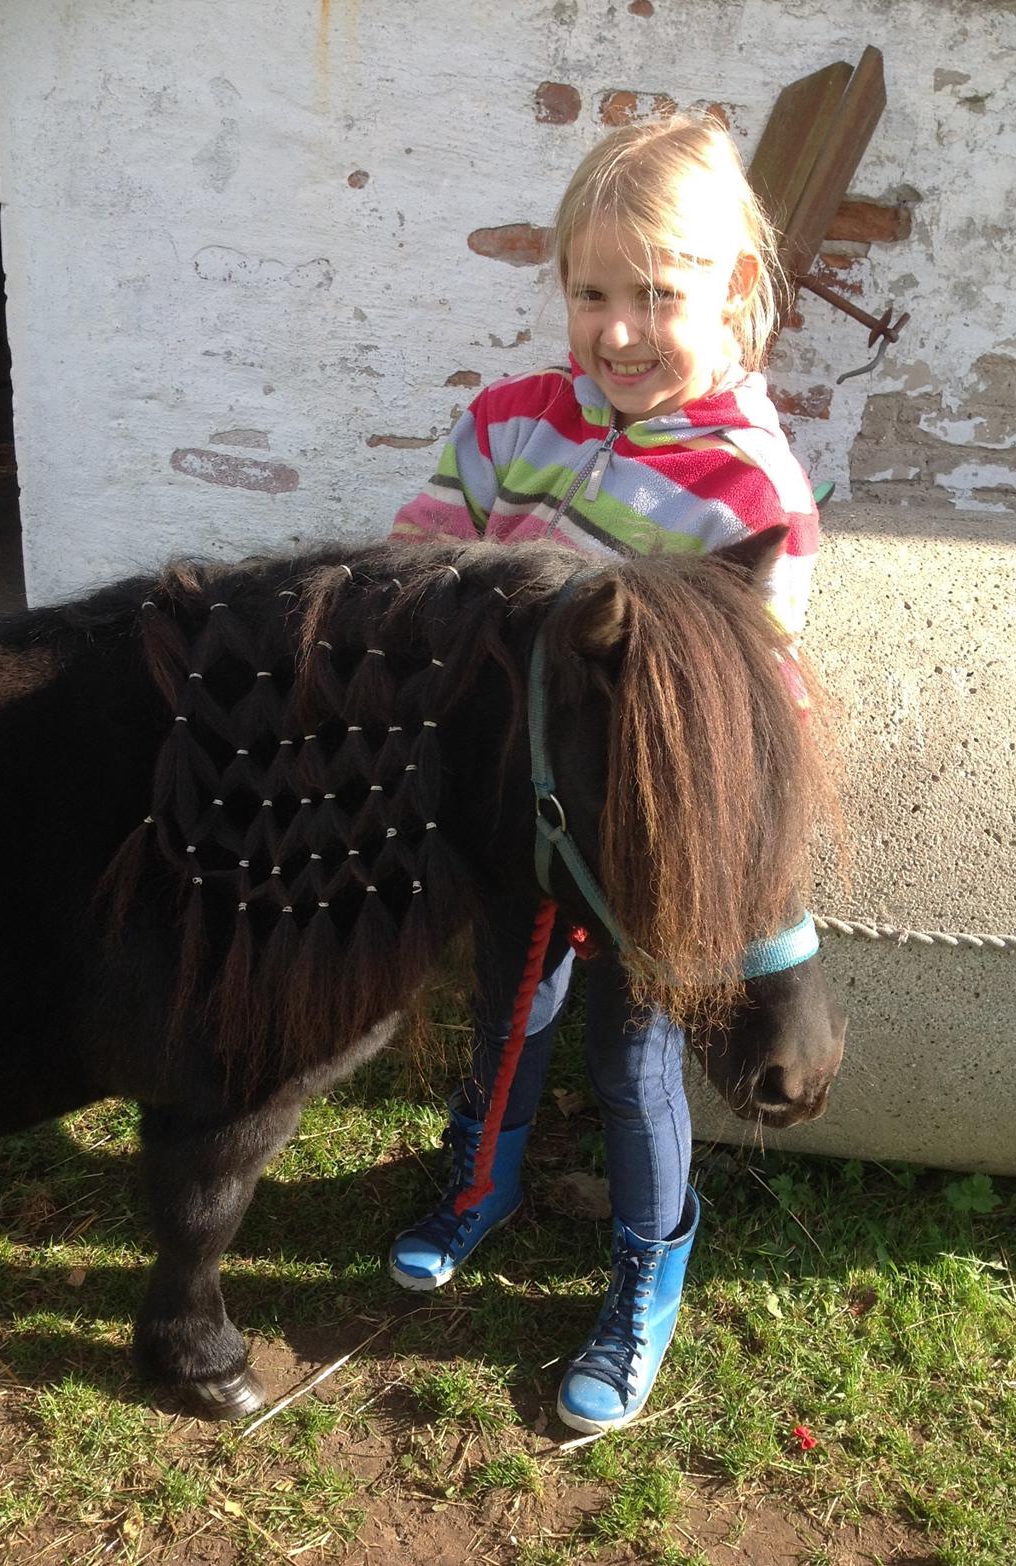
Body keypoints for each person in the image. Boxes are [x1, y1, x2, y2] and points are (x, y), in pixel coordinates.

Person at [385, 114, 819, 1434]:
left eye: (657, 296)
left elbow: (749, 714)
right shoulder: (509, 422)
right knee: (510, 1009)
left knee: (633, 1063)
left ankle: (646, 1275)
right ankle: (482, 1183)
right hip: (515, 821)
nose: (617, 332)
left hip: (641, 851)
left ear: (733, 290)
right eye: (589, 293)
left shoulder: (747, 492)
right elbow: (415, 570)